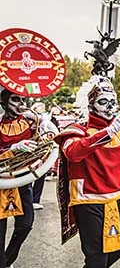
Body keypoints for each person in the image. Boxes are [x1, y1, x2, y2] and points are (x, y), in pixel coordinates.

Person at [54, 76, 120, 268]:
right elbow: (73, 153)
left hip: (117, 197)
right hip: (89, 199)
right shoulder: (78, 129)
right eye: (103, 102)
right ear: (91, 106)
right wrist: (109, 131)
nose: (109, 107)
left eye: (113, 102)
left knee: (117, 250)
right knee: (96, 257)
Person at [0, 90, 56, 268]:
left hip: (23, 181)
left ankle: (7, 260)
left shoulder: (31, 122)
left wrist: (46, 125)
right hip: (1, 183)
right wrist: (13, 148)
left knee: (26, 224)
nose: (20, 104)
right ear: (3, 101)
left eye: (23, 100)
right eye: (15, 99)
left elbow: (46, 142)